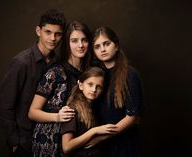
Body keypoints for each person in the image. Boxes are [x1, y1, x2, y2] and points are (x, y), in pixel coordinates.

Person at [0, 9, 66, 157]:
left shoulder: (58, 64)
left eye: (58, 34)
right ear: (38, 31)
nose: (53, 38)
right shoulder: (21, 62)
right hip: (24, 143)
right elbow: (4, 106)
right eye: (48, 32)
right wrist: (15, 142)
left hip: (48, 142)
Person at [28, 21, 92, 157]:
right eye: (74, 41)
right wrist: (57, 116)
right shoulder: (55, 72)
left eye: (84, 40)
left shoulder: (90, 73)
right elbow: (32, 112)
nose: (80, 45)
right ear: (67, 44)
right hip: (49, 142)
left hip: (77, 141)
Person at [91, 26, 144, 157]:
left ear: (116, 46)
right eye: (97, 46)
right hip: (102, 147)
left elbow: (132, 118)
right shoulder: (96, 75)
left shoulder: (130, 74)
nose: (102, 49)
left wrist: (101, 137)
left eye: (106, 44)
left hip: (124, 143)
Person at [61, 67, 117, 157]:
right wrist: (94, 131)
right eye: (90, 84)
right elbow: (67, 147)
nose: (94, 89)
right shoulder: (72, 110)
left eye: (98, 87)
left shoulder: (95, 108)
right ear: (81, 85)